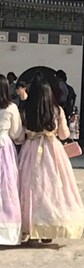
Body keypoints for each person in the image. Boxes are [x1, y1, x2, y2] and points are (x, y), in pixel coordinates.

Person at [17, 77, 84, 243]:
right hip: (52, 149)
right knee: (54, 187)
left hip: (30, 149)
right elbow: (64, 134)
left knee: (29, 187)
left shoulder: (26, 111)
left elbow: (19, 137)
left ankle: (30, 227)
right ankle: (49, 228)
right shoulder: (57, 110)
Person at [0, 76, 24, 245]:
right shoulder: (11, 108)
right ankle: (7, 230)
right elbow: (16, 132)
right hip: (4, 147)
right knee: (7, 187)